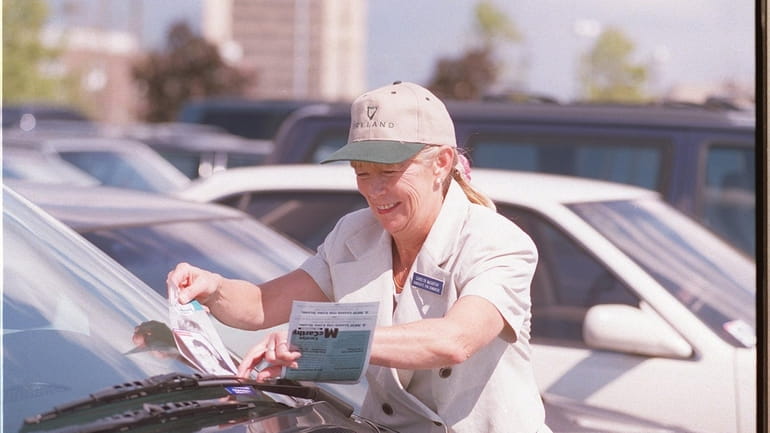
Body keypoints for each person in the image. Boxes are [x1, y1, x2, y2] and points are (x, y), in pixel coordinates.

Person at [167, 81, 551, 433]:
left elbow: (455, 340)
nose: (374, 190)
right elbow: (260, 305)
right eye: (361, 172)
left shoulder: (497, 241)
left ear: (441, 163)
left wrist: (320, 341)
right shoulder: (354, 234)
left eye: (389, 170)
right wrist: (212, 288)